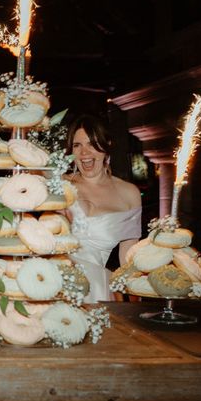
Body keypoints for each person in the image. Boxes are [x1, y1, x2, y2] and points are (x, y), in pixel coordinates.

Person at [65, 114, 141, 302]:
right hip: (54, 281)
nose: (84, 153)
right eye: (77, 145)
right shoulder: (59, 184)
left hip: (97, 290)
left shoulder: (129, 193)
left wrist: (136, 299)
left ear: (106, 147)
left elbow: (127, 259)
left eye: (92, 144)